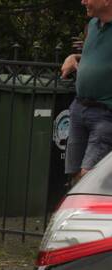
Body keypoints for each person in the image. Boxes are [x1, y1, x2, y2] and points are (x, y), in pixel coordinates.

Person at [61, 0, 112, 183]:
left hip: (104, 113)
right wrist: (73, 57)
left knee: (89, 176)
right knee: (74, 174)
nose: (83, 1)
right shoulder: (92, 25)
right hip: (79, 107)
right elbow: (97, 56)